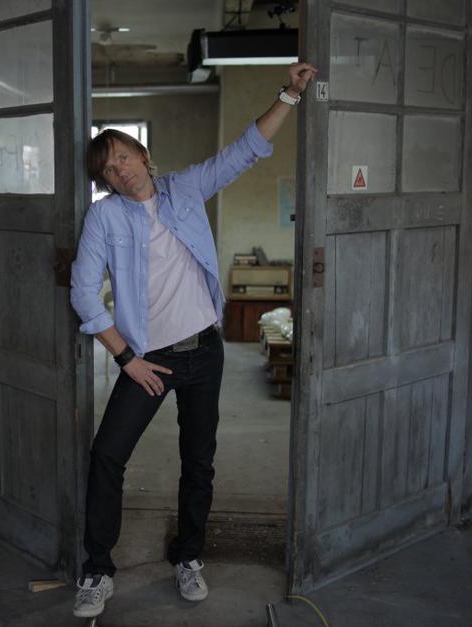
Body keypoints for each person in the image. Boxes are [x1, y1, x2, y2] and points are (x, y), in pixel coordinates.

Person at [69, 62, 317, 618]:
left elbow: (244, 150)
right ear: (105, 181)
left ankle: (188, 558)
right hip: (148, 359)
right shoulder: (104, 219)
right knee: (107, 455)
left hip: (205, 352)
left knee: (198, 460)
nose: (120, 170)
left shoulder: (186, 188)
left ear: (143, 156)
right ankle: (97, 570)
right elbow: (84, 294)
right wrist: (126, 359)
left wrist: (289, 94)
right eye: (108, 169)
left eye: (124, 157)